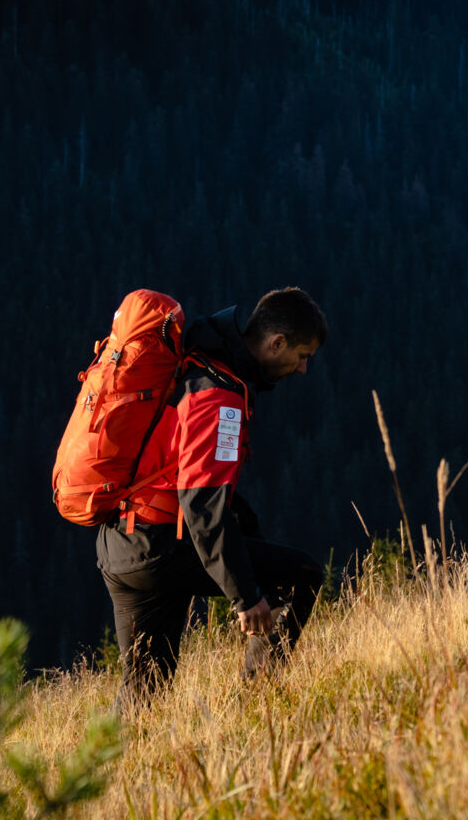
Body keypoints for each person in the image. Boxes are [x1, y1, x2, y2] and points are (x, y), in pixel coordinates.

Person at [96, 286, 327, 700]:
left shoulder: (197, 360)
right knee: (301, 576)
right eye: (302, 355)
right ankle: (258, 705)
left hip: (122, 543)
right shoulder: (220, 396)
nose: (303, 369)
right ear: (277, 343)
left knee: (145, 690)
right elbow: (202, 501)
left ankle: (109, 764)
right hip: (163, 544)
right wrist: (245, 596)